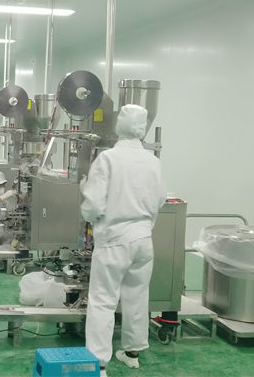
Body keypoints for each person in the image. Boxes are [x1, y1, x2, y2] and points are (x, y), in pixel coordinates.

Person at [79, 104, 166, 377]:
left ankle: (99, 364)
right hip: (143, 239)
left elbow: (93, 206)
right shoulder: (153, 161)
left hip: (114, 240)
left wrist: (85, 197)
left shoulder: (108, 159)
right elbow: (160, 200)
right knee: (137, 296)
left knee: (103, 300)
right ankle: (132, 353)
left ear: (119, 125)